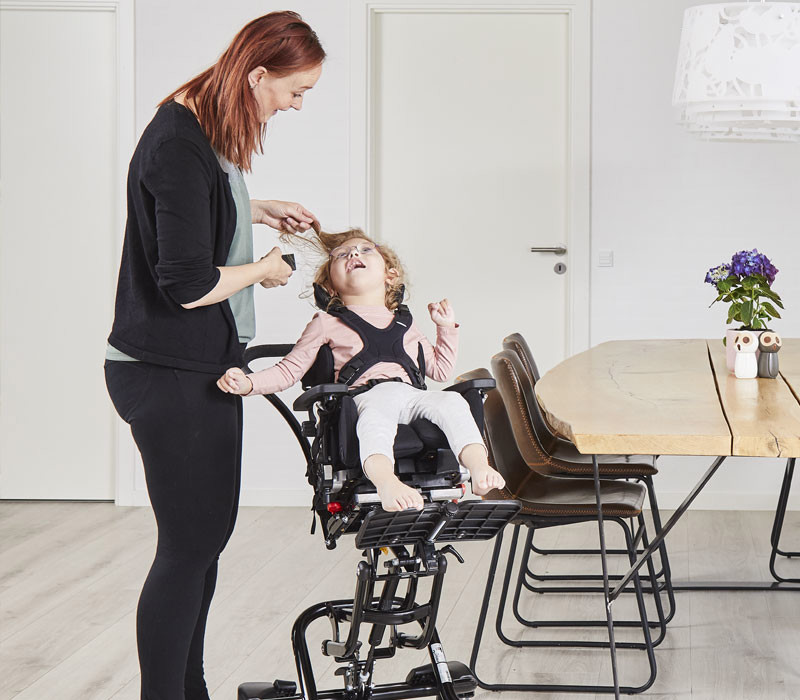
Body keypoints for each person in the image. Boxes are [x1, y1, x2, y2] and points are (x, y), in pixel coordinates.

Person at [104, 12, 324, 700]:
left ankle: (188, 689)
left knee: (204, 545)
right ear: (258, 74)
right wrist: (261, 270)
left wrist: (256, 207)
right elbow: (190, 282)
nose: (294, 107)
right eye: (293, 92)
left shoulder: (198, 131)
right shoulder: (178, 142)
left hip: (199, 367)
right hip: (164, 370)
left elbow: (195, 207)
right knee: (188, 549)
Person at [217, 229, 506, 511]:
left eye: (365, 249)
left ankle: (479, 468)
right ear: (330, 286)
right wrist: (248, 383)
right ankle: (387, 483)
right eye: (340, 255)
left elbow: (440, 371)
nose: (353, 253)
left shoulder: (406, 323)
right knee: (375, 422)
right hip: (367, 395)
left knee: (453, 401)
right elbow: (289, 370)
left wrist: (445, 329)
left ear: (389, 274)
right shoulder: (326, 323)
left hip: (411, 394)